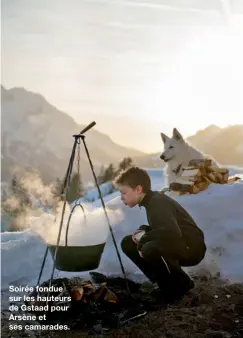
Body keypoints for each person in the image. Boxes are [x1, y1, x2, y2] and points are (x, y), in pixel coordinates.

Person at [113, 166, 207, 304]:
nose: (121, 198)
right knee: (128, 242)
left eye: (124, 193)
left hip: (191, 247)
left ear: (138, 189)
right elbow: (163, 227)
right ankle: (165, 284)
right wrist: (144, 229)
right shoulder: (151, 201)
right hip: (179, 242)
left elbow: (172, 231)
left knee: (149, 247)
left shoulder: (157, 202)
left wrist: (144, 239)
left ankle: (178, 287)